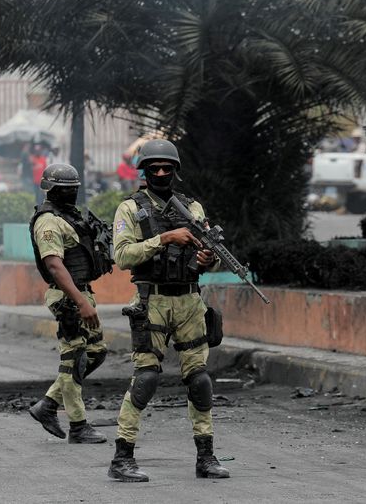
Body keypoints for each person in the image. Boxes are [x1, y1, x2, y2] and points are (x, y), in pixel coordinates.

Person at [107, 139, 230, 482]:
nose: (161, 173)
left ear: (176, 171)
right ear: (143, 172)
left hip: (190, 300)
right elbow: (122, 256)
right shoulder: (130, 209)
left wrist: (207, 258)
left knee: (200, 380)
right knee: (146, 378)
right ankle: (122, 457)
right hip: (152, 301)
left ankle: (205, 456)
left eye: (167, 168)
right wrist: (164, 239)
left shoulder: (194, 208)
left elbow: (208, 254)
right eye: (154, 168)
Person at [28, 163, 114, 444]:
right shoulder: (48, 221)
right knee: (74, 356)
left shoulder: (68, 216)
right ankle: (78, 425)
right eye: (66, 190)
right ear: (51, 190)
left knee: (96, 352)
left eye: (74, 189)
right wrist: (80, 302)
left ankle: (48, 405)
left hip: (81, 293)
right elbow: (54, 265)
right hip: (68, 296)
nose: (72, 194)